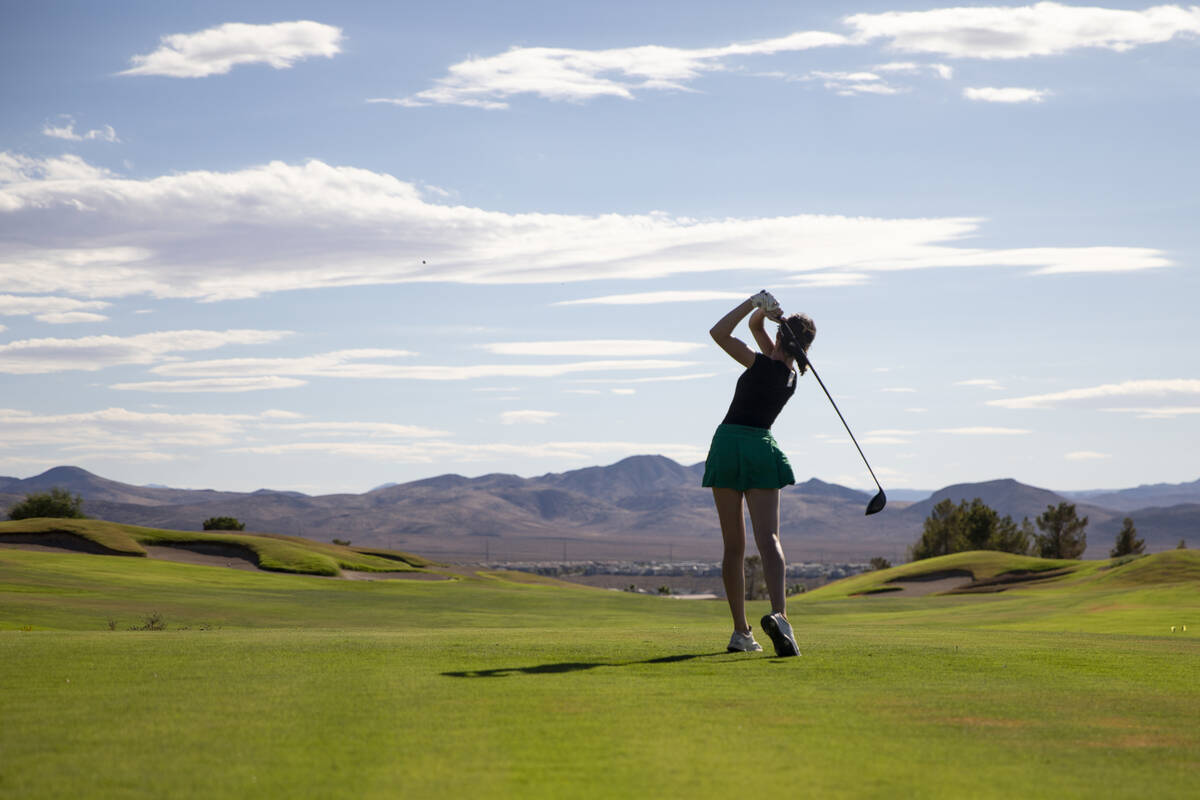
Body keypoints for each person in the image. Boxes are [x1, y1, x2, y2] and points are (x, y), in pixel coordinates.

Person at [704, 291, 816, 657]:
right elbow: (758, 332)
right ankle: (781, 615)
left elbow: (718, 333)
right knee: (769, 538)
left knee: (733, 545)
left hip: (728, 445)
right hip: (760, 450)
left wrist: (753, 302)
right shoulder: (787, 375)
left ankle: (741, 632)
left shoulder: (759, 365)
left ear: (781, 338)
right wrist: (767, 315)